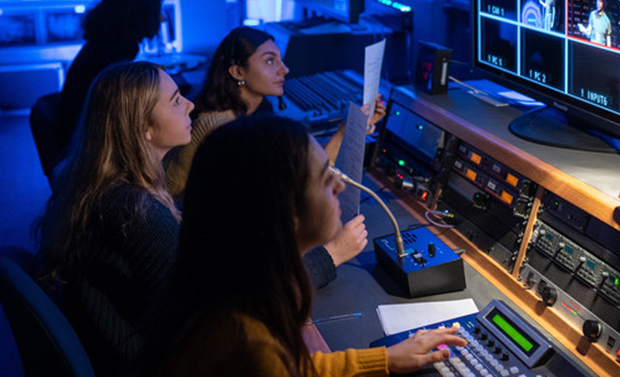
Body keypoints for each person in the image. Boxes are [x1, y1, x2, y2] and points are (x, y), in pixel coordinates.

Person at [142, 115, 466, 377]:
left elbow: (293, 368)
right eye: (326, 179)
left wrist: (385, 359)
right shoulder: (247, 341)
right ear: (285, 212)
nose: (339, 186)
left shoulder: (225, 285)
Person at [163, 26, 382, 288]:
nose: (284, 69)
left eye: (280, 59)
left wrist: (347, 129)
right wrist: (332, 252)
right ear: (238, 72)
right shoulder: (220, 127)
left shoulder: (249, 116)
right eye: (270, 61)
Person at [35, 61, 193, 374]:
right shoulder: (135, 213)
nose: (190, 105)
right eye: (176, 101)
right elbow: (212, 309)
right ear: (143, 128)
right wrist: (318, 256)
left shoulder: (98, 187)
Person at [57, 0, 164, 157]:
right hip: (92, 154)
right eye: (156, 11)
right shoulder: (115, 55)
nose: (161, 18)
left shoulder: (102, 46)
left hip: (81, 146)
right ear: (140, 14)